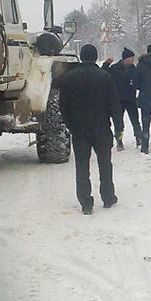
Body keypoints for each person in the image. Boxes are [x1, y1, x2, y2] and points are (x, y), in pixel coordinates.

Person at [60, 44, 123, 215]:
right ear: (95, 57)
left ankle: (85, 202)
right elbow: (115, 104)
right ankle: (108, 197)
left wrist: (70, 125)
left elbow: (63, 106)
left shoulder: (69, 78)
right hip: (101, 129)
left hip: (79, 131)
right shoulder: (105, 77)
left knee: (81, 166)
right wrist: (119, 127)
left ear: (81, 57)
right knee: (105, 164)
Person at [102, 47, 142, 151]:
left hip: (131, 99)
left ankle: (139, 138)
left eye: (133, 58)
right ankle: (119, 141)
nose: (133, 60)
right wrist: (107, 63)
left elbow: (139, 81)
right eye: (131, 58)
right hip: (118, 100)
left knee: (135, 120)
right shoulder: (114, 68)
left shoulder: (135, 69)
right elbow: (103, 73)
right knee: (118, 122)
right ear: (125, 59)